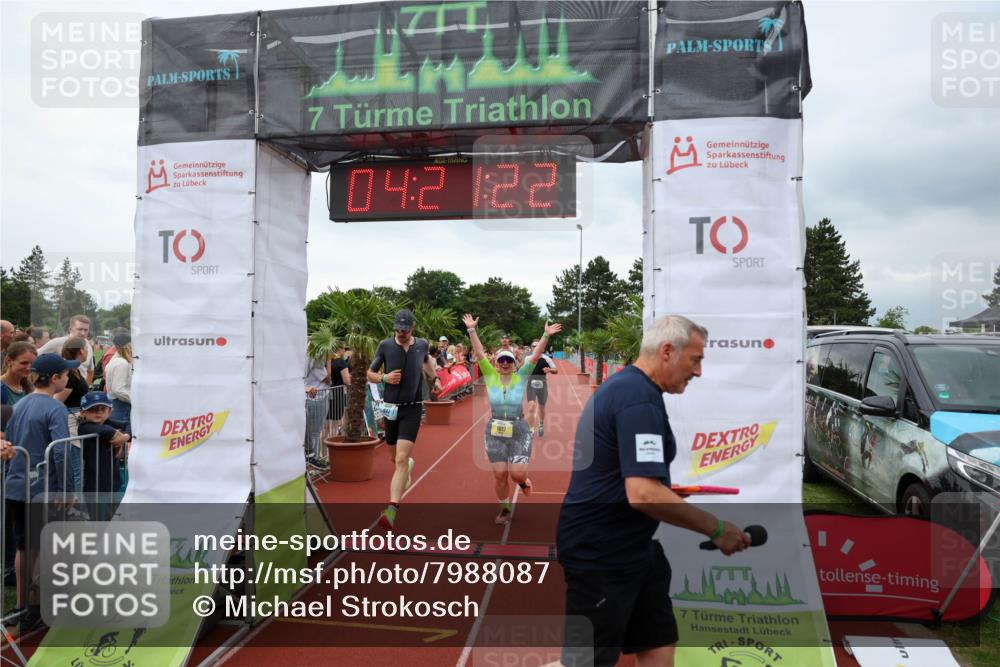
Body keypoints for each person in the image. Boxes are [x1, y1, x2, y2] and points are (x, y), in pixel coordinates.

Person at [553, 315, 750, 667]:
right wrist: (717, 528)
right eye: (696, 360)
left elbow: (631, 477)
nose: (698, 372)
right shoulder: (638, 399)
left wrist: (665, 490)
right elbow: (642, 493)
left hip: (635, 548)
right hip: (601, 554)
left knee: (658, 646)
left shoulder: (633, 389)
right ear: (667, 351)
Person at [3, 352, 77, 635]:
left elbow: (10, 439)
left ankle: (22, 606)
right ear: (55, 378)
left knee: (24, 547)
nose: (69, 378)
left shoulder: (20, 404)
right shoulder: (55, 408)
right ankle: (37, 606)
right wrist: (66, 490)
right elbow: (60, 451)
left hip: (16, 486)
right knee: (45, 547)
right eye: (66, 374)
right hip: (42, 489)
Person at [464, 313, 561, 525]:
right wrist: (471, 329)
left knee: (516, 475)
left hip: (519, 429)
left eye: (509, 359)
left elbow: (535, 356)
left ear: (515, 363)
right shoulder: (490, 376)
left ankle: (523, 482)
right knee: (499, 474)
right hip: (495, 430)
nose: (505, 363)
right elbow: (479, 352)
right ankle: (505, 509)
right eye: (501, 360)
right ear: (496, 363)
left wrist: (546, 335)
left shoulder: (521, 377)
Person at [367, 309, 442, 530]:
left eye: (405, 330)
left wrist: (435, 380)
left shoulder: (422, 345)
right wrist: (384, 377)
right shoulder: (385, 346)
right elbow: (370, 373)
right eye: (398, 330)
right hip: (391, 408)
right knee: (394, 457)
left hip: (412, 408)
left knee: (400, 458)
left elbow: (427, 363)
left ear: (413, 328)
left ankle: (391, 510)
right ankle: (407, 465)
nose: (401, 333)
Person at [77, 391, 130, 519]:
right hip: (95, 487)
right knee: (100, 522)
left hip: (113, 483)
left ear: (110, 411)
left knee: (114, 520)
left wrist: (125, 436)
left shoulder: (108, 422)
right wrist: (120, 436)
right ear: (83, 413)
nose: (98, 412)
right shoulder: (84, 427)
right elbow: (106, 431)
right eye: (93, 409)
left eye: (102, 409)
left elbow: (129, 425)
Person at [55, 338, 89, 492]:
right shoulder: (69, 373)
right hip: (72, 422)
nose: (87, 352)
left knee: (79, 467)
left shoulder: (75, 370)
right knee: (77, 468)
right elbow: (57, 401)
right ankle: (77, 502)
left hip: (77, 419)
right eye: (86, 349)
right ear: (81, 350)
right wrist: (74, 414)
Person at [38, 315, 95, 385]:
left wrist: (85, 388)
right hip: (59, 389)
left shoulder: (88, 346)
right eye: (80, 329)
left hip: (79, 389)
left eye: (86, 330)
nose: (83, 333)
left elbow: (90, 371)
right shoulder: (57, 343)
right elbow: (35, 357)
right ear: (70, 329)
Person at [304, 346, 330, 470]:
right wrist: (329, 361)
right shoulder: (315, 362)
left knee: (315, 432)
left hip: (318, 398)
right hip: (316, 399)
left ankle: (315, 459)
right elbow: (328, 379)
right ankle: (313, 461)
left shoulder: (314, 361)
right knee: (314, 433)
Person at [525, 339, 558, 437]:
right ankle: (531, 430)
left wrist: (549, 370)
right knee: (531, 407)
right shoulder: (528, 358)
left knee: (541, 407)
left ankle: (541, 424)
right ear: (531, 348)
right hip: (531, 384)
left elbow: (556, 370)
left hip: (542, 385)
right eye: (533, 346)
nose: (536, 348)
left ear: (542, 348)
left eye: (537, 346)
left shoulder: (546, 359)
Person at [104, 332, 132, 430]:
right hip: (121, 406)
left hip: (117, 404)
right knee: (123, 434)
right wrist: (134, 400)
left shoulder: (116, 360)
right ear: (128, 345)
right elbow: (118, 389)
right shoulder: (122, 363)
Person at [1, 342, 37, 407]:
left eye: (32, 363)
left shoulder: (31, 387)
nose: (29, 367)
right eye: (24, 363)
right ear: (9, 361)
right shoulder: (2, 388)